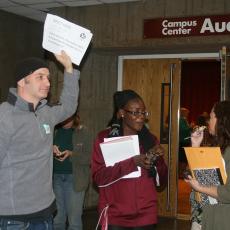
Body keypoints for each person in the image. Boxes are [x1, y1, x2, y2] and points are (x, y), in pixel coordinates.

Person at [0, 50, 80, 229]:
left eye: (48, 77)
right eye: (40, 77)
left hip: (45, 211)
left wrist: (68, 68)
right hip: (13, 217)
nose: (47, 82)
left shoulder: (46, 114)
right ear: (22, 81)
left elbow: (68, 106)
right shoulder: (4, 117)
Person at [91, 89, 168, 230]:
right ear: (122, 113)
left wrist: (158, 161)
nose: (141, 117)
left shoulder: (150, 140)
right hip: (115, 215)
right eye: (135, 112)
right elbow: (99, 178)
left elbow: (162, 182)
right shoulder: (105, 139)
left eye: (143, 112)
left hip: (146, 215)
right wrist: (133, 162)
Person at [185, 101, 230, 230]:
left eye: (211, 117)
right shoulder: (218, 147)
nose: (208, 121)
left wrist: (200, 187)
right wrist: (195, 145)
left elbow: (228, 192)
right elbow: (193, 173)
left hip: (222, 219)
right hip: (208, 214)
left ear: (221, 120)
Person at [53, 113, 92, 230]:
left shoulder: (84, 132)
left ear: (74, 117)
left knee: (74, 220)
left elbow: (90, 158)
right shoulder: (54, 131)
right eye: (62, 118)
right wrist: (50, 149)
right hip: (56, 178)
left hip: (75, 179)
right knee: (58, 218)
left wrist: (71, 154)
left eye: (68, 118)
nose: (65, 122)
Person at [179, 107, 192, 177]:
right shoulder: (181, 120)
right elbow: (183, 130)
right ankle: (180, 173)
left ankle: (182, 173)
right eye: (186, 113)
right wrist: (190, 127)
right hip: (182, 141)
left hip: (185, 141)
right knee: (182, 159)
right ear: (183, 113)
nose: (187, 114)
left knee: (184, 158)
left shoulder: (184, 120)